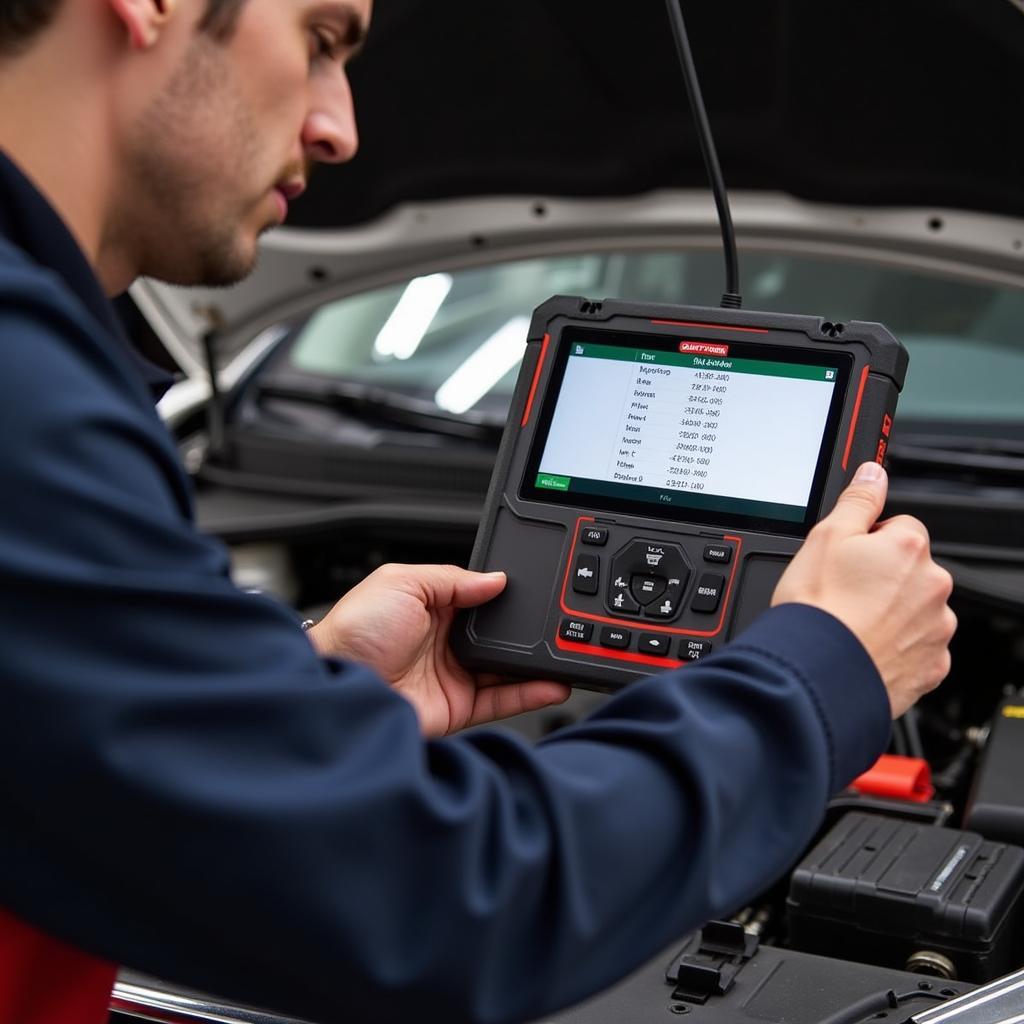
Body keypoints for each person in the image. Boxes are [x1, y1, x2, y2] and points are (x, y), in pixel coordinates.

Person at [0, 1, 956, 1022]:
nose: (340, 128)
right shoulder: (24, 398)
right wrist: (821, 675)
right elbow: (441, 898)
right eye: (321, 39)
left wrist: (294, 703)